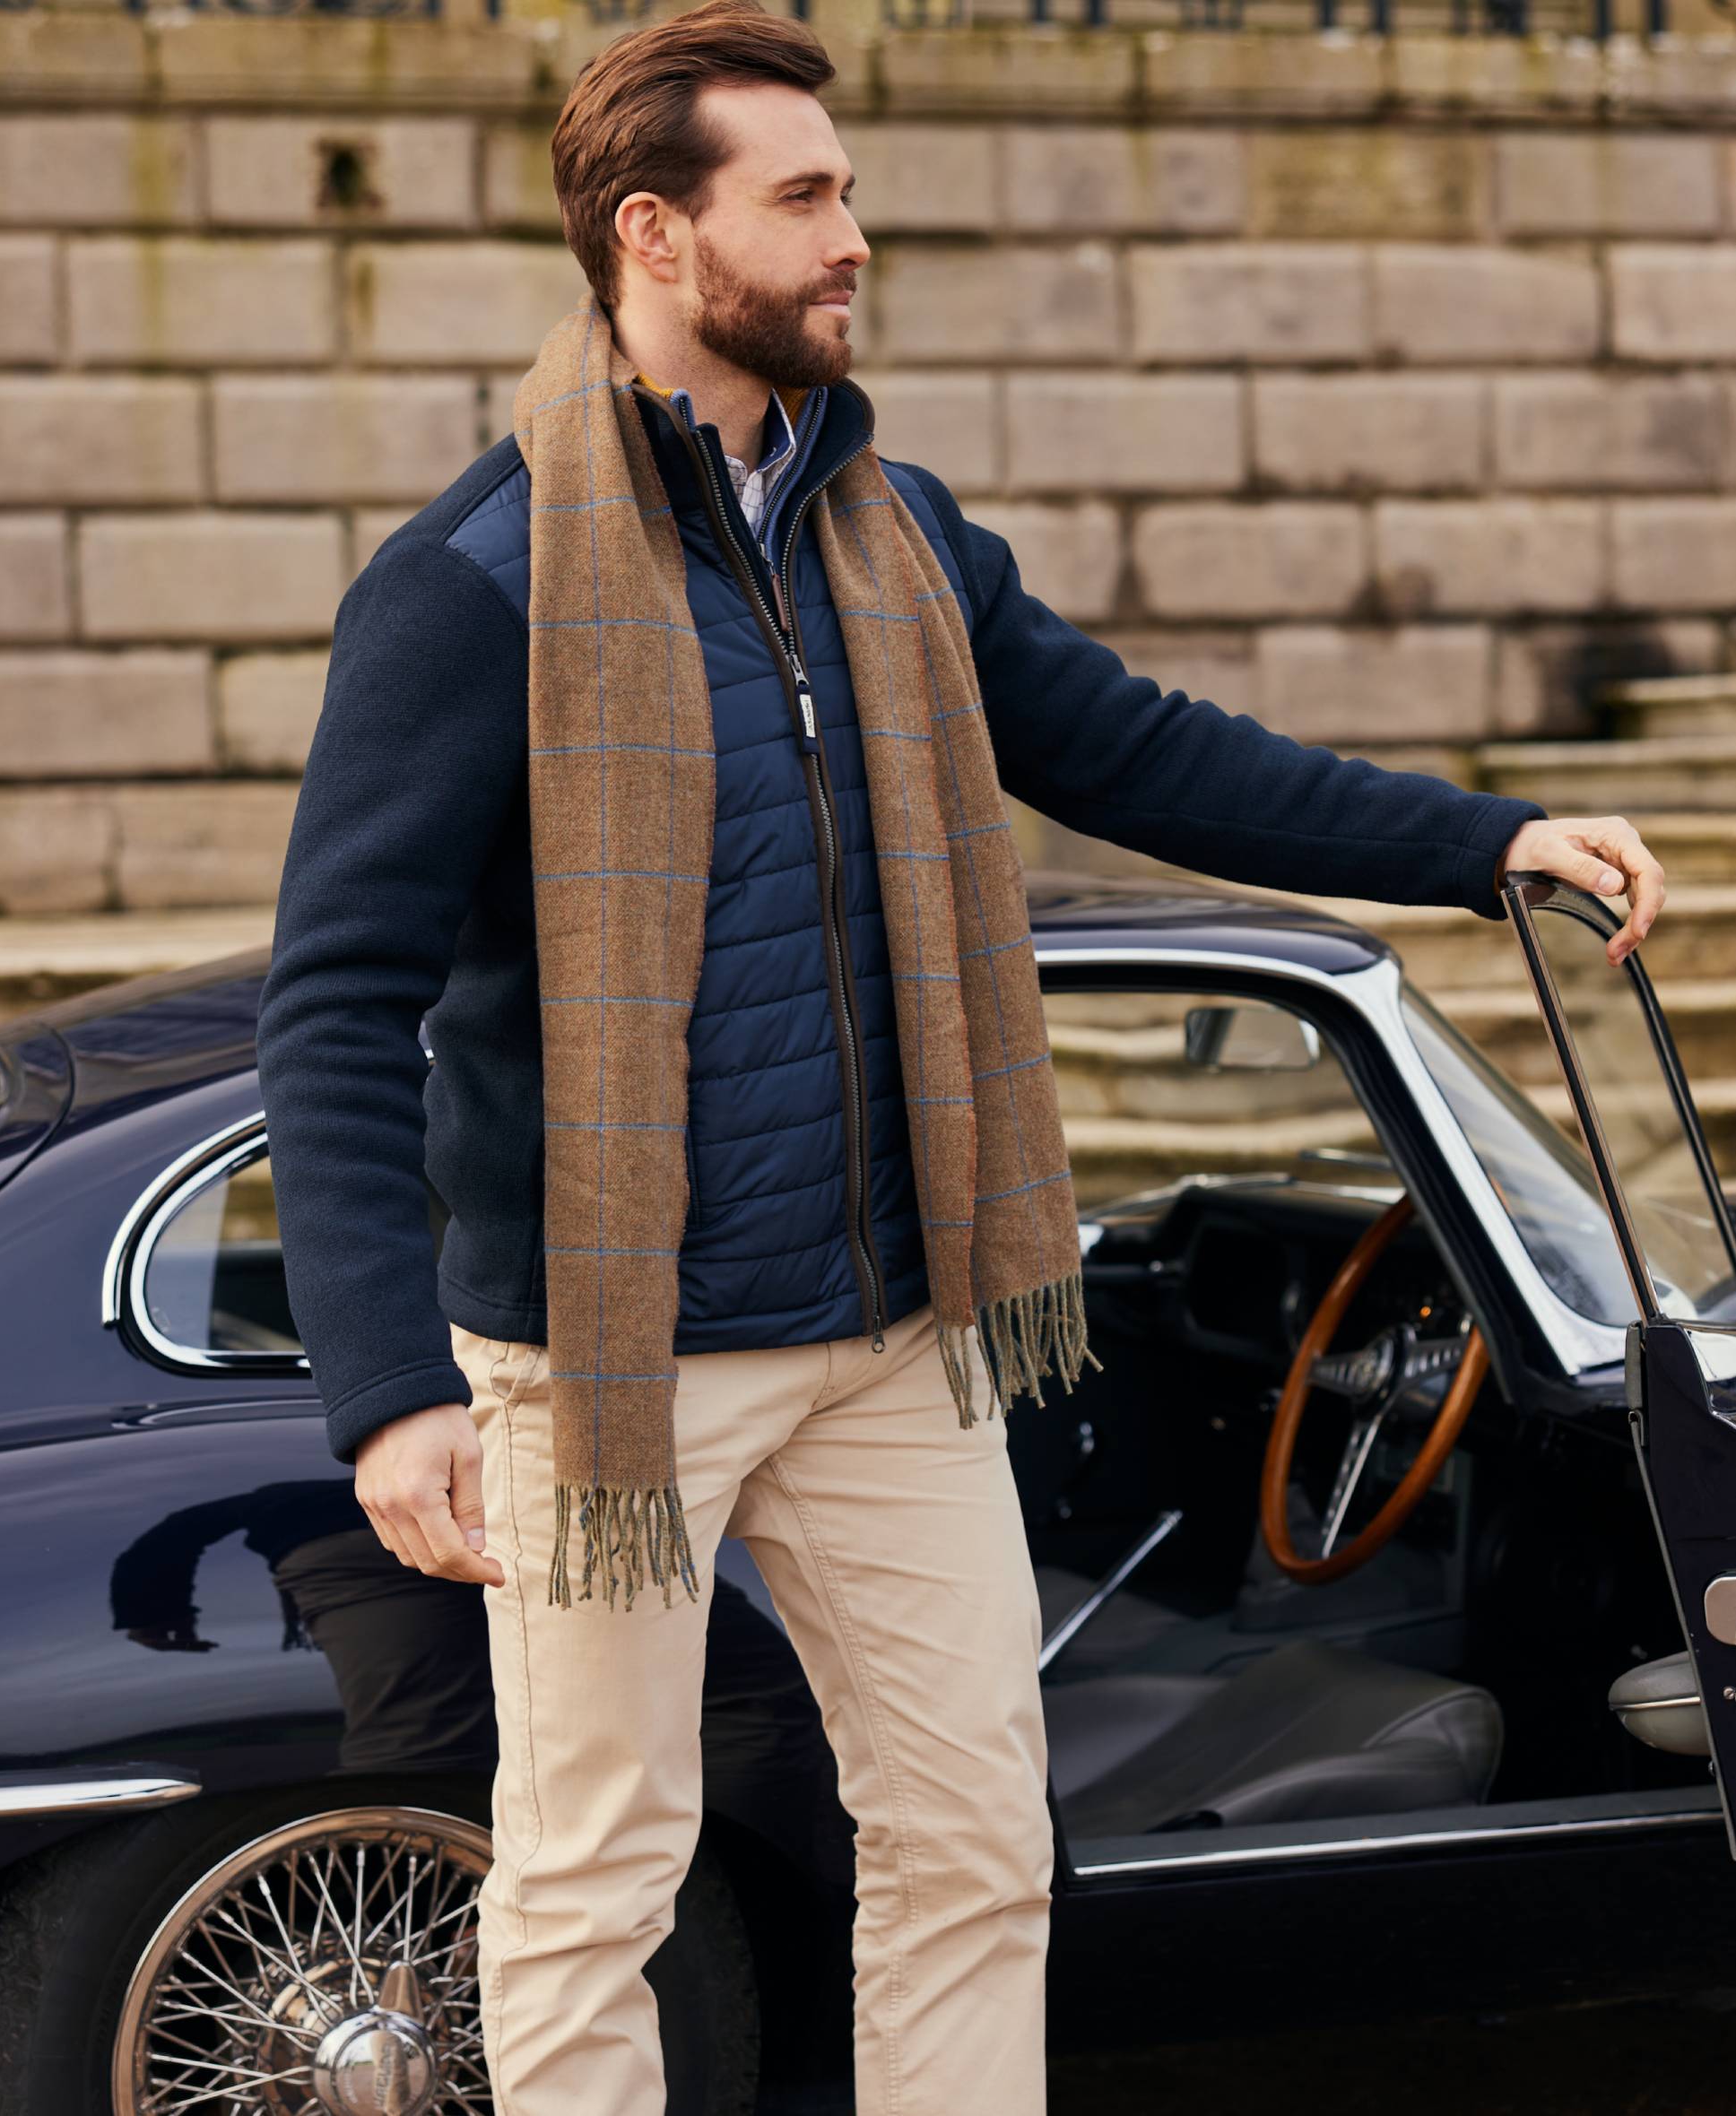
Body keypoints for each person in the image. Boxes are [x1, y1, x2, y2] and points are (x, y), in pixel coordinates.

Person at [252, 3, 1667, 2107]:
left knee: (974, 1839)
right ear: (654, 234)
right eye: (803, 197)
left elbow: (1144, 753)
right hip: (609, 1358)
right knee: (595, 1872)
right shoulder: (474, 586)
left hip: (891, 1328)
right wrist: (388, 1393)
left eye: (847, 192)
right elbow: (334, 998)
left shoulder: (893, 535)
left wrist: (1480, 841)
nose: (852, 237)